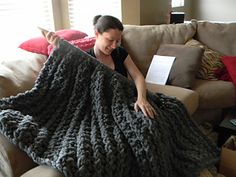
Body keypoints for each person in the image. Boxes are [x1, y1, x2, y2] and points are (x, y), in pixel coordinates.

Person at [41, 15, 157, 119]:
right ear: (96, 34)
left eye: (118, 41)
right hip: (99, 109)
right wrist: (58, 47)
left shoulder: (120, 52)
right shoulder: (85, 58)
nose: (114, 46)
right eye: (110, 40)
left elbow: (137, 76)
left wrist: (142, 99)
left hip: (125, 101)